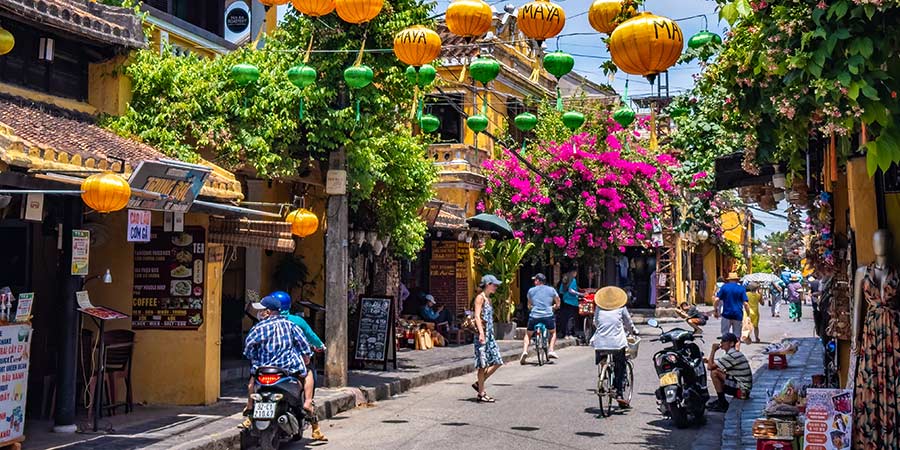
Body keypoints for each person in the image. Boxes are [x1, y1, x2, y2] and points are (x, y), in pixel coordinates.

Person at [242, 296, 312, 428]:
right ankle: (308, 402)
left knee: (252, 382)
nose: (260, 313)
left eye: (261, 310)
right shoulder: (291, 325)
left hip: (263, 370)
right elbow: (303, 344)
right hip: (286, 371)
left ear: (268, 312)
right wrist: (306, 356)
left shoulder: (258, 328)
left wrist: (255, 358)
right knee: (307, 373)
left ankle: (250, 405)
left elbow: (248, 348)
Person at [271, 291, 328, 442]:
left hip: (267, 364)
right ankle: (308, 402)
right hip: (291, 365)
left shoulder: (265, 322)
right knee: (308, 372)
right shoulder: (295, 322)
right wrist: (320, 346)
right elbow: (310, 337)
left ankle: (250, 410)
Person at [590, 286, 635, 407]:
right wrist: (633, 331)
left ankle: (603, 376)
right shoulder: (621, 308)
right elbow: (628, 323)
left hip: (600, 342)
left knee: (603, 358)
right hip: (616, 343)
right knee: (620, 365)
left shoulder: (599, 308)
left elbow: (595, 322)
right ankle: (619, 392)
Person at [472, 275, 504, 403]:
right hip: (482, 334)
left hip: (490, 335)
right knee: (482, 364)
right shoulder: (480, 298)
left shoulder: (489, 299)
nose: (496, 287)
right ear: (487, 284)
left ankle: (479, 384)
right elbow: (477, 316)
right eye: (494, 285)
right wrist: (481, 333)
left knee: (497, 361)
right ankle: (481, 392)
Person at [706, 333, 752, 412]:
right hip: (744, 389)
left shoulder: (731, 355)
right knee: (718, 371)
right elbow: (720, 367)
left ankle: (722, 403)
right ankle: (721, 401)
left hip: (742, 391)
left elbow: (710, 367)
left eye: (724, 341)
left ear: (731, 343)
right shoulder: (735, 353)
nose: (721, 343)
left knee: (714, 373)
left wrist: (713, 350)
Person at [520, 273, 560, 364]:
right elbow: (558, 300)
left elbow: (529, 304)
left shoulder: (531, 290)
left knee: (528, 334)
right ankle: (551, 350)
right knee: (553, 332)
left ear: (538, 281)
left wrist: (530, 307)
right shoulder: (551, 289)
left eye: (535, 280)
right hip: (548, 315)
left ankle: (525, 351)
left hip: (534, 316)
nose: (534, 282)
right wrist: (556, 306)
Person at [714, 272, 751, 349]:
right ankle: (736, 352)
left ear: (729, 280)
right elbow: (746, 304)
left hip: (726, 314)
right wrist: (748, 314)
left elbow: (717, 300)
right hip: (738, 314)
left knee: (725, 334)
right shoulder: (741, 289)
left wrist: (715, 310)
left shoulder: (724, 287)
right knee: (737, 335)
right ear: (737, 280)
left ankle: (727, 353)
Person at [557, 268, 585, 339]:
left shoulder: (565, 280)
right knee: (571, 318)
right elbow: (571, 290)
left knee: (566, 318)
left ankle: (566, 333)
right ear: (574, 273)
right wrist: (580, 294)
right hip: (572, 302)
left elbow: (561, 291)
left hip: (565, 301)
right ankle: (569, 333)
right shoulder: (573, 280)